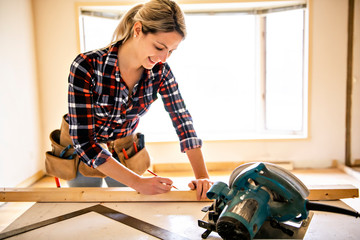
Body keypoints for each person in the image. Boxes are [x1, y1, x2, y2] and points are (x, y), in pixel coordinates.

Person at [66, 0, 212, 200]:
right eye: (159, 47)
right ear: (138, 29)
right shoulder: (86, 65)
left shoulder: (161, 72)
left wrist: (203, 177)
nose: (164, 58)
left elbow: (182, 119)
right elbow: (84, 142)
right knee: (81, 206)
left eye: (171, 51)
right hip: (81, 150)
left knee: (127, 211)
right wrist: (136, 182)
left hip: (123, 150)